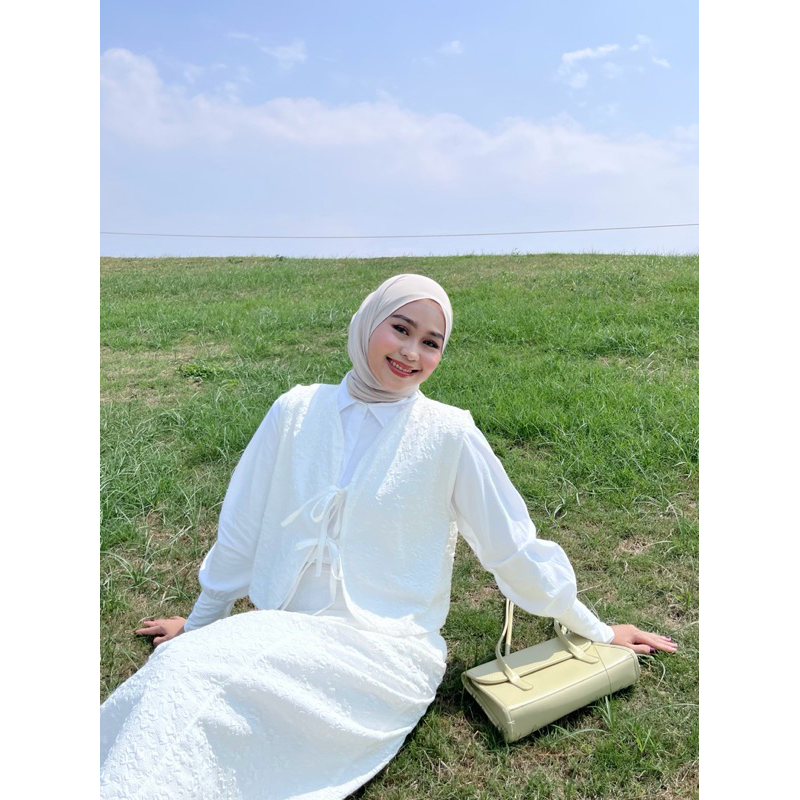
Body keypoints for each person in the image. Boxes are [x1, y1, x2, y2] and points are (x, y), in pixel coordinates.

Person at [100, 274, 677, 800]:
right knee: (178, 675)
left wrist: (598, 631)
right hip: (279, 627)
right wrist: (200, 626)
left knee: (201, 681)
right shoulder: (295, 410)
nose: (411, 352)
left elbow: (511, 548)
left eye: (431, 342)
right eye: (400, 329)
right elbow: (242, 526)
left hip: (384, 653)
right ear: (366, 323)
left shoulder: (449, 433)